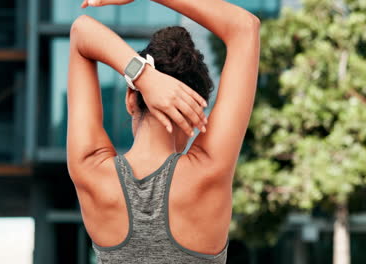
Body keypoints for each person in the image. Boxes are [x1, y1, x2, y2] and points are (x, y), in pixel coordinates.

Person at [67, 0, 260, 263]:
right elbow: (244, 27)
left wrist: (143, 77)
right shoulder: (208, 171)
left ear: (130, 99)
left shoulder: (90, 169)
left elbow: (81, 31)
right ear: (193, 117)